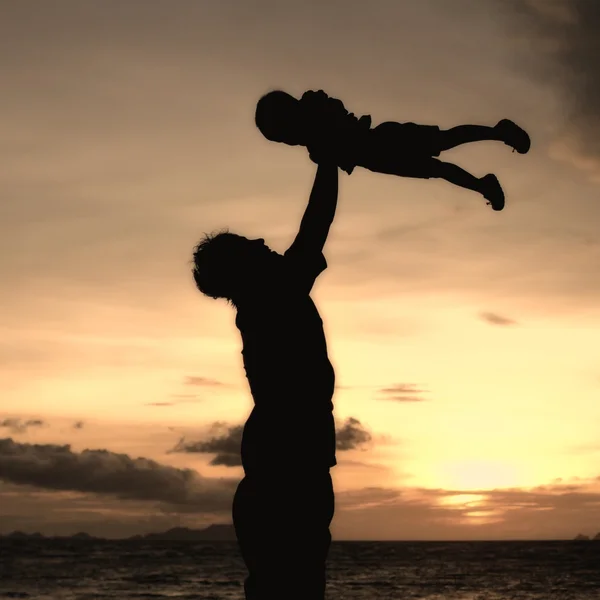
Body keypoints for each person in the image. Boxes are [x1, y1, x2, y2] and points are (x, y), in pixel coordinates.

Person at [192, 161, 339, 600]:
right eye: (247, 245)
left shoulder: (265, 298)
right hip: (287, 464)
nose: (259, 240)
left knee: (283, 582)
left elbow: (314, 231)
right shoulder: (272, 295)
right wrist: (327, 159)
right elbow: (316, 225)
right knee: (295, 581)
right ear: (242, 271)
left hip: (282, 460)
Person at [255, 89, 531, 212]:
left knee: (443, 142)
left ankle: (498, 132)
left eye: (283, 134)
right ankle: (483, 185)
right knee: (438, 169)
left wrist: (336, 131)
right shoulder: (316, 147)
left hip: (383, 139)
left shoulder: (315, 110)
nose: (288, 141)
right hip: (377, 158)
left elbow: (337, 113)